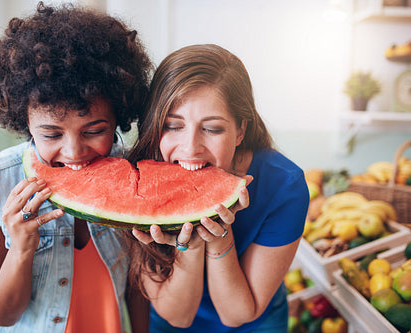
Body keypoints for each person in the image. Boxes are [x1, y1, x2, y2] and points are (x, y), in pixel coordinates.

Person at [0, 2, 152, 332]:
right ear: (24, 118)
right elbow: (1, 315)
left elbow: (137, 290)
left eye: (94, 131)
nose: (74, 151)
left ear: (119, 115)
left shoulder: (136, 175)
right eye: (51, 133)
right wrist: (20, 247)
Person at [123, 44, 310, 333]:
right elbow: (178, 316)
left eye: (212, 129)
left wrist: (220, 239)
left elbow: (236, 314)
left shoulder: (285, 186)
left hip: (254, 323)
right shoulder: (138, 177)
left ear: (240, 131)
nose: (190, 148)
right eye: (173, 126)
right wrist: (192, 245)